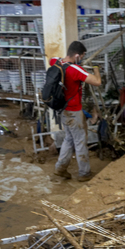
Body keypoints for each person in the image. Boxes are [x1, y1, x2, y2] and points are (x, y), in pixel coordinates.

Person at [54, 41, 102, 182]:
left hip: (63, 110)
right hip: (74, 112)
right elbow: (97, 81)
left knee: (69, 139)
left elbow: (52, 59)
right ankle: (84, 173)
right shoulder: (75, 69)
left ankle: (60, 168)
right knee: (80, 142)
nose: (81, 58)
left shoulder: (57, 63)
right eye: (81, 56)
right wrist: (95, 67)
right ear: (76, 55)